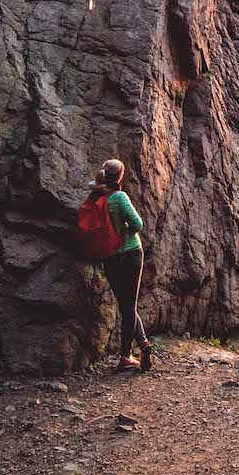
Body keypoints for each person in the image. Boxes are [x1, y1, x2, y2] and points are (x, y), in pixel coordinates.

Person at [93, 158, 154, 373]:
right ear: (120, 176)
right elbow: (137, 224)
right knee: (130, 305)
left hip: (109, 257)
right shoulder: (119, 197)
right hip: (130, 253)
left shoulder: (98, 197)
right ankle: (125, 355)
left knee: (125, 305)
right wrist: (124, 230)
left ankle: (143, 343)